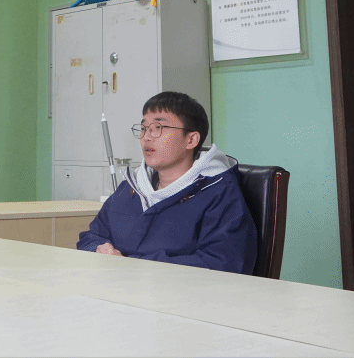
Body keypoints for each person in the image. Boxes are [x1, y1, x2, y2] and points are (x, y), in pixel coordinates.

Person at [77, 91, 257, 274]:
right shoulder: (131, 188)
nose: (146, 137)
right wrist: (98, 249)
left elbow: (223, 264)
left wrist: (132, 265)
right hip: (116, 286)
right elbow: (90, 237)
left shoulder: (218, 192)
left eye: (158, 127)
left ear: (191, 140)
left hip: (178, 291)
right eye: (144, 128)